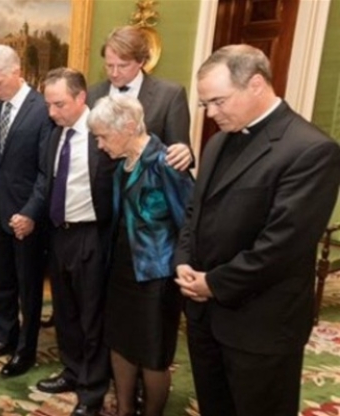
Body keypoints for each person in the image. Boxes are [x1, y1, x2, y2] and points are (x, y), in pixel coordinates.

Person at [175, 44, 340, 416]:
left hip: (260, 324)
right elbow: (194, 211)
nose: (212, 113)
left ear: (255, 84)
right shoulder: (219, 142)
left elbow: (281, 246)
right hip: (206, 318)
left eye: (218, 101)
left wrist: (213, 283)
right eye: (206, 105)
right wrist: (183, 259)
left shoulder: (311, 150)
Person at [88, 95, 194, 416]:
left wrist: (184, 266)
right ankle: (124, 410)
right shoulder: (123, 163)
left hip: (157, 275)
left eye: (103, 136)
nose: (99, 144)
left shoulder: (166, 163)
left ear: (130, 127)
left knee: (152, 354)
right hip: (122, 268)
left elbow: (189, 221)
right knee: (119, 342)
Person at [0, 45, 52, 379]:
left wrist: (31, 212)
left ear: (17, 71)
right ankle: (5, 338)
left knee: (28, 286)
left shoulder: (42, 110)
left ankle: (26, 350)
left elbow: (47, 172)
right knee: (1, 283)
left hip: (28, 218)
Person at [38, 67, 115, 416]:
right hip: (59, 234)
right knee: (65, 312)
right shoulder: (56, 134)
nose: (52, 112)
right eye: (49, 105)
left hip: (91, 235)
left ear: (81, 98)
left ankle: (93, 388)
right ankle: (72, 371)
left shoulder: (101, 134)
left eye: (59, 104)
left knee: (91, 316)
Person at [87, 25, 192, 170]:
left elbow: (178, 151)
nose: (114, 73)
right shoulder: (92, 94)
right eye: (109, 66)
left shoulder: (169, 96)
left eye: (123, 66)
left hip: (145, 187)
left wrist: (185, 152)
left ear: (141, 61)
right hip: (101, 187)